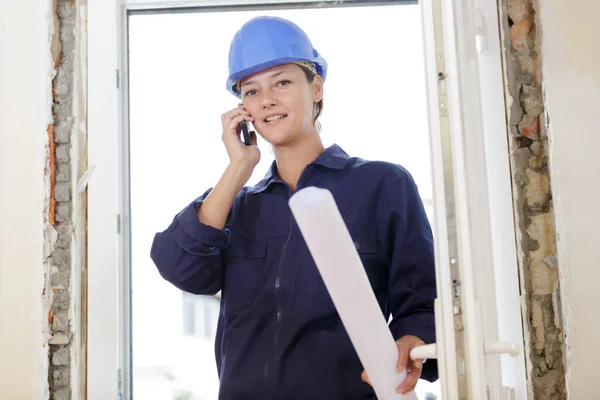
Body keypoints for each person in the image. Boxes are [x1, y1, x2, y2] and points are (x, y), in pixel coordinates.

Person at [150, 15, 437, 400]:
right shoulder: (237, 207)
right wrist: (238, 168)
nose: (266, 99)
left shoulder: (383, 185)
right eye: (251, 91)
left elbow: (421, 299)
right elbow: (180, 267)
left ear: (316, 87)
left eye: (282, 82)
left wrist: (411, 340)